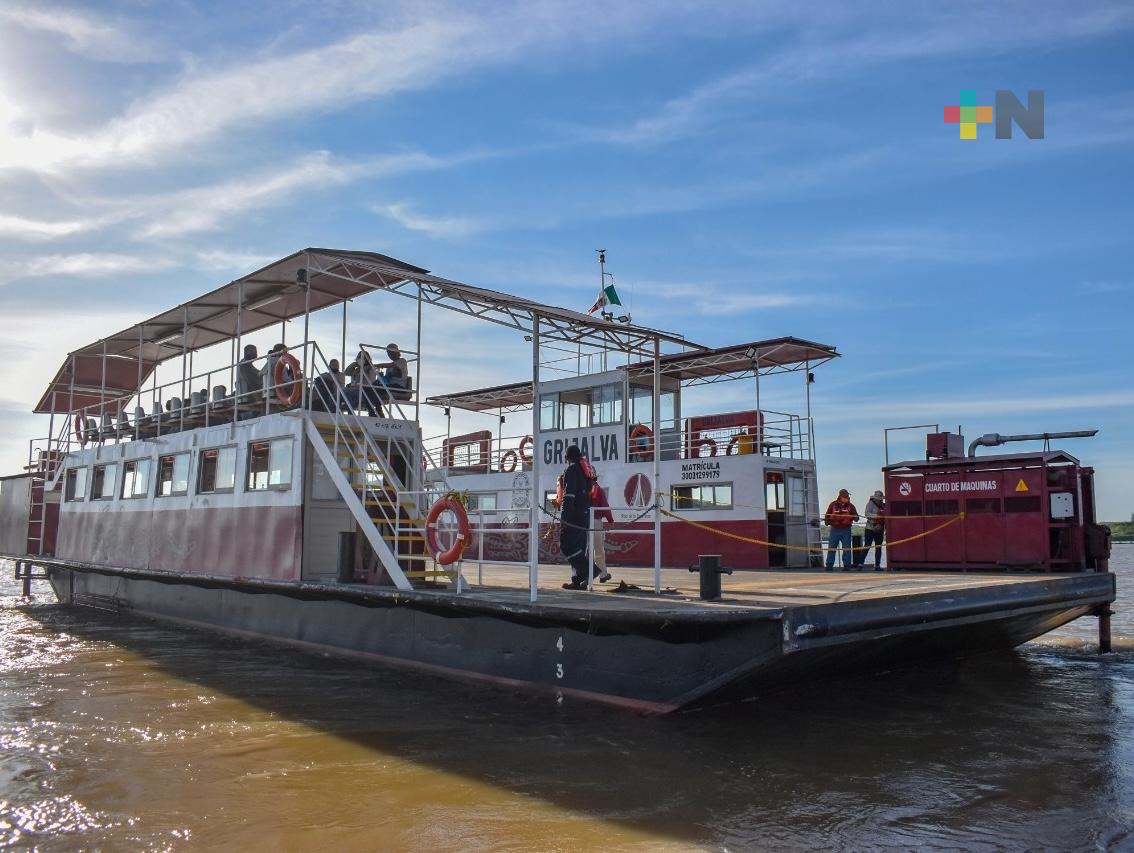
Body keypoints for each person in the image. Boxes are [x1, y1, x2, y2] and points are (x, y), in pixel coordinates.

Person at [559, 445, 595, 590]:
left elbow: (569, 496)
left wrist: (564, 518)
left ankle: (591, 570)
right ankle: (577, 581)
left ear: (568, 458)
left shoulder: (572, 470)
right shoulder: (585, 471)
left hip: (574, 516)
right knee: (579, 548)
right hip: (584, 514)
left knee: (566, 545)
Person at [824, 488, 859, 571]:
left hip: (846, 530)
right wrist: (827, 522)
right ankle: (829, 565)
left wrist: (854, 517)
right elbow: (827, 515)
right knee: (831, 548)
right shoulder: (832, 505)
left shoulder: (851, 506)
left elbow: (857, 518)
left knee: (847, 548)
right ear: (840, 496)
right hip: (834, 529)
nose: (847, 498)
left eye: (847, 496)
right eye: (845, 496)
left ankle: (847, 565)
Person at [589, 469, 614, 584]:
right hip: (595, 521)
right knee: (598, 549)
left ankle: (585, 575)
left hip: (582, 521)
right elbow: (604, 506)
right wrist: (610, 520)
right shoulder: (598, 489)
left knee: (585, 549)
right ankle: (602, 574)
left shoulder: (582, 489)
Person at [344, 349, 381, 417]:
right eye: (359, 357)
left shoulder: (370, 368)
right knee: (340, 392)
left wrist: (361, 368)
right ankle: (334, 411)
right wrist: (354, 364)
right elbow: (346, 373)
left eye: (363, 358)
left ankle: (350, 413)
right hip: (354, 390)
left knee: (345, 392)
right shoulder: (356, 368)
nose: (361, 359)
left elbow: (371, 381)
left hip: (364, 391)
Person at [862, 489, 886, 571]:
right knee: (867, 545)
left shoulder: (884, 505)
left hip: (880, 529)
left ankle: (877, 565)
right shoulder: (870, 504)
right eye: (879, 499)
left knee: (878, 547)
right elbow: (867, 514)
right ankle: (860, 563)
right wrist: (877, 516)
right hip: (870, 528)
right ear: (875, 498)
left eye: (881, 499)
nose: (880, 501)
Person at [236, 344, 261, 417]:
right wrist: (257, 396)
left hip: (247, 397)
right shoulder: (245, 365)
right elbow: (250, 381)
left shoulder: (247, 364)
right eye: (252, 351)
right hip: (248, 398)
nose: (255, 353)